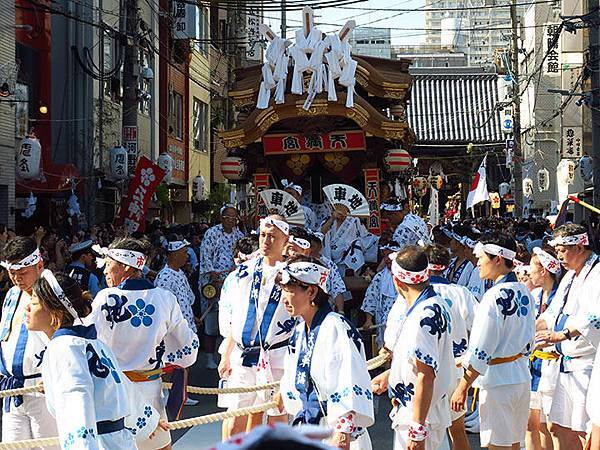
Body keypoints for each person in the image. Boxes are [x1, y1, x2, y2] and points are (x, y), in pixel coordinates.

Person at [85, 237, 199, 450]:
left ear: (126, 267)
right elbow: (188, 347)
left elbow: (88, 346)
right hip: (151, 387)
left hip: (114, 392)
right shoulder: (165, 298)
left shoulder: (105, 298)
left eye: (109, 265)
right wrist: (163, 359)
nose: (106, 272)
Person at [26, 271, 142, 449]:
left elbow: (76, 403)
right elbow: (121, 387)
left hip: (96, 442)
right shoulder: (95, 343)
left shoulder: (63, 348)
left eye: (34, 302)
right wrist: (148, 420)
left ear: (55, 312)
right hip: (118, 440)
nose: (28, 307)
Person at [277, 255, 374, 450]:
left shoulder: (336, 327)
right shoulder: (299, 329)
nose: (284, 299)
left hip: (335, 429)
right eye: (283, 291)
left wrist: (342, 432)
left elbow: (349, 378)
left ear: (311, 291)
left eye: (290, 291)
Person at [451, 233, 535, 450]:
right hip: (520, 375)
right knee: (514, 443)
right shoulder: (525, 291)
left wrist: (463, 386)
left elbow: (482, 348)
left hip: (498, 381)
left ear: (498, 258)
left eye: (481, 257)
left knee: (498, 445)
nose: (477, 261)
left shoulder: (493, 296)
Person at [372, 246, 454, 450]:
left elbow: (426, 375)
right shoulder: (436, 304)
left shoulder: (422, 315)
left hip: (418, 414)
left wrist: (417, 429)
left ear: (397, 281)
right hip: (429, 410)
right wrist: (392, 374)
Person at [218, 215, 292, 439]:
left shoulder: (294, 274)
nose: (266, 241)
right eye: (262, 235)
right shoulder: (242, 272)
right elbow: (234, 316)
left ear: (285, 239)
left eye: (272, 236)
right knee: (234, 420)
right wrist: (226, 354)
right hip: (243, 354)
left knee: (277, 419)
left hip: (278, 354)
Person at [535, 224, 600, 450]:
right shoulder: (571, 275)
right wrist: (530, 329)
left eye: (562, 250)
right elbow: (553, 312)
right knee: (559, 427)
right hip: (565, 364)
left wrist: (561, 335)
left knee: (585, 432)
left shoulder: (597, 273)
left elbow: (593, 316)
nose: (559, 255)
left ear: (580, 246)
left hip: (587, 363)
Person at [0, 237, 59, 448]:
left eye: (22, 272)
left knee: (49, 446)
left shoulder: (53, 293)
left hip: (42, 387)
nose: (16, 279)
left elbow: (67, 335)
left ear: (39, 265)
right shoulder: (12, 293)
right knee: (12, 446)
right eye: (12, 273)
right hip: (12, 388)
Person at [425, 244, 477, 450]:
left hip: (426, 370)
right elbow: (478, 326)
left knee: (425, 427)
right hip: (456, 368)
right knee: (457, 428)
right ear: (446, 267)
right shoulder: (461, 293)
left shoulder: (418, 294)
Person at [199, 205, 245, 369]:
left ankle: (227, 355)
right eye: (227, 217)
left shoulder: (239, 235)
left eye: (234, 218)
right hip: (213, 280)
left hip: (232, 281)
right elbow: (205, 256)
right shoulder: (211, 233)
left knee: (231, 319)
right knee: (210, 320)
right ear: (221, 217)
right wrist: (212, 275)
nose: (230, 220)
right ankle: (210, 358)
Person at [527, 246, 562, 450]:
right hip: (534, 366)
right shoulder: (535, 295)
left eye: (532, 269)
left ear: (543, 271)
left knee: (552, 426)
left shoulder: (562, 297)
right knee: (532, 424)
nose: (529, 273)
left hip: (553, 365)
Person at [361, 242, 401, 348]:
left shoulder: (406, 276)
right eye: (385, 256)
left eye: (390, 255)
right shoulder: (380, 277)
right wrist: (368, 320)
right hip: (383, 324)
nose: (387, 259)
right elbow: (370, 297)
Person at [154, 237, 197, 333]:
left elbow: (186, 300)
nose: (187, 256)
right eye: (184, 253)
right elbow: (164, 308)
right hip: (175, 331)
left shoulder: (180, 272)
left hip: (186, 328)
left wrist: (192, 316)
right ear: (174, 255)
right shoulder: (165, 277)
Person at [307, 232, 346, 315]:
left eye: (312, 246)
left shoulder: (329, 265)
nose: (309, 249)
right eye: (308, 246)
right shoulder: (301, 262)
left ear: (320, 247)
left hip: (324, 307)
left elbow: (337, 289)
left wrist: (340, 311)